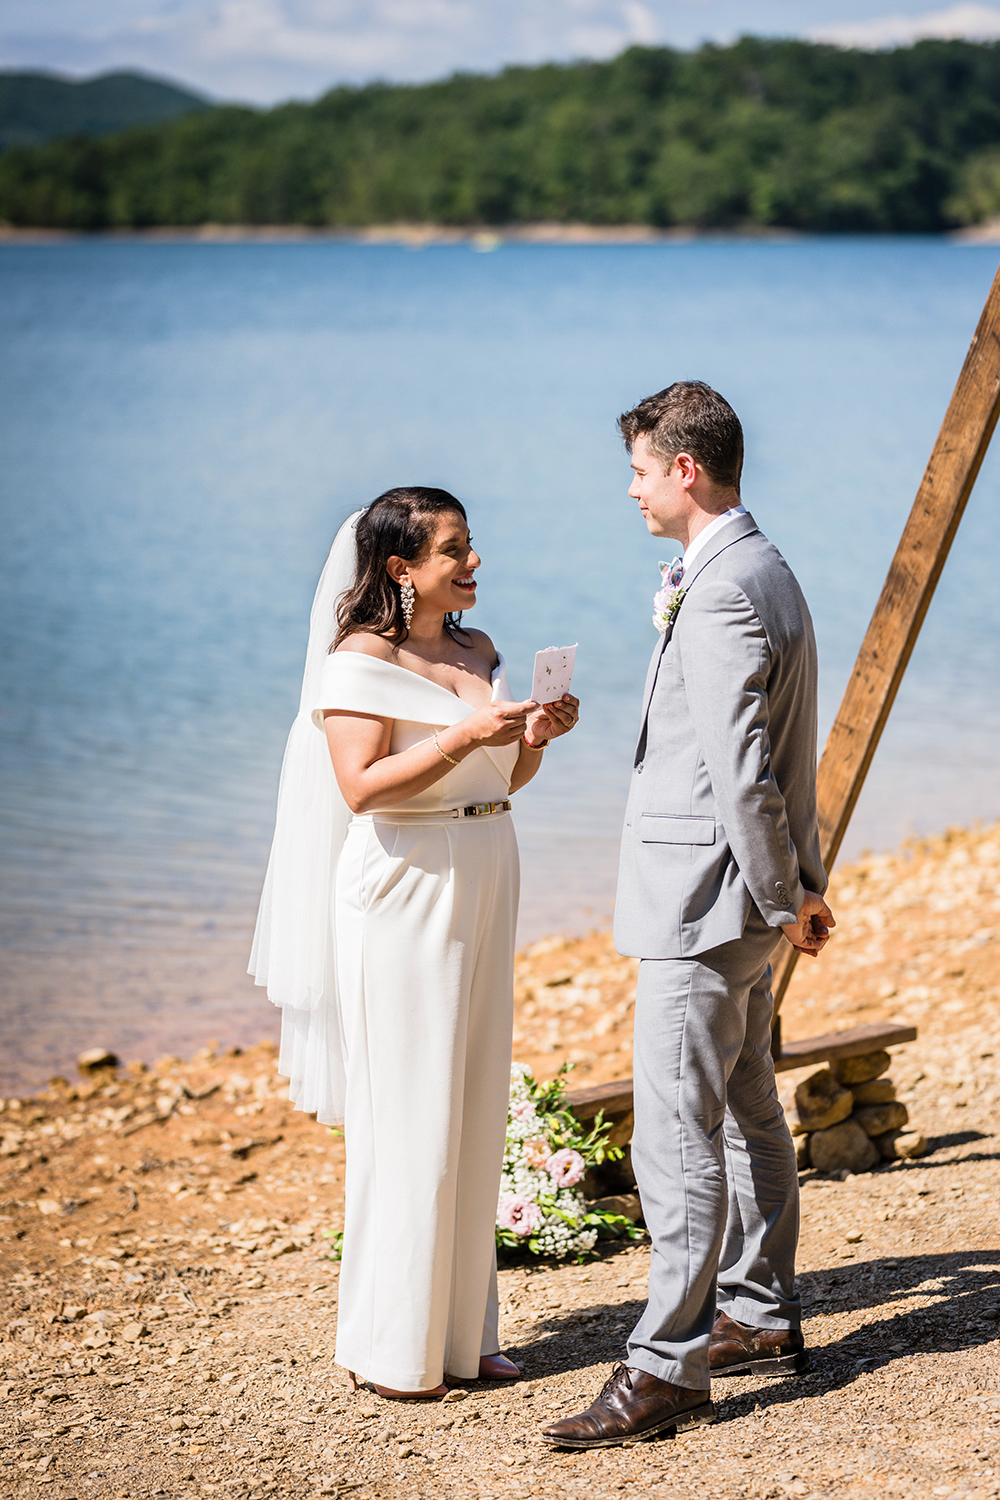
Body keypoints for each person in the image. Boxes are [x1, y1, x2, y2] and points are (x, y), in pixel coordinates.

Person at [542, 382, 834, 1450]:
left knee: (675, 1136)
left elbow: (744, 768)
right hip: (751, 898)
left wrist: (775, 894)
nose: (627, 491)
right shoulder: (765, 567)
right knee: (751, 1104)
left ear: (683, 470)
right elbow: (787, 760)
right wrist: (799, 886)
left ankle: (663, 1366)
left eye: (635, 471)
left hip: (707, 905)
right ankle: (756, 1312)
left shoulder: (718, 590)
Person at [250, 487, 578, 1400]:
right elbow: (361, 787)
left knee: (474, 1099)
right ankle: (392, 1346)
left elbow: (501, 774)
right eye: (454, 551)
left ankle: (465, 1338)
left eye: (472, 547)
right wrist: (465, 731)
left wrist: (535, 737)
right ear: (402, 569)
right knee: (409, 1110)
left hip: (486, 861)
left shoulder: (480, 650)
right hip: (401, 883)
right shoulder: (358, 659)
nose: (473, 564)